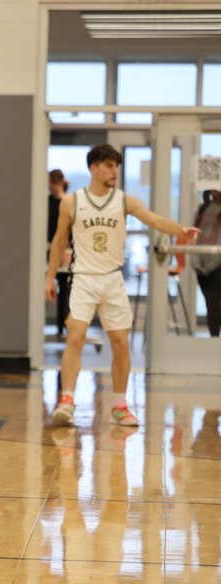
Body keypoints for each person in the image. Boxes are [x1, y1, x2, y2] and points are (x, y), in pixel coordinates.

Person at [45, 144, 200, 426]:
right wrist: (50, 277)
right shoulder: (72, 202)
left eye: (116, 166)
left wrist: (180, 230)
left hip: (113, 280)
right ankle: (66, 400)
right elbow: (58, 241)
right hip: (82, 279)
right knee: (76, 338)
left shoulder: (125, 201)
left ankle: (119, 405)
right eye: (108, 165)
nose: (114, 170)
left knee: (120, 344)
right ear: (93, 169)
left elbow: (154, 220)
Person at [192, 189, 221, 337]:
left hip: (217, 266)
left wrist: (209, 267)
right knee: (211, 307)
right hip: (202, 266)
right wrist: (196, 263)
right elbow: (195, 236)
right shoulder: (203, 208)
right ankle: (214, 343)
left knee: (214, 306)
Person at [48, 169, 71, 338]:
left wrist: (66, 249)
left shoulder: (67, 202)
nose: (51, 187)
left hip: (64, 251)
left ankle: (63, 326)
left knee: (65, 288)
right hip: (47, 248)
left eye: (54, 183)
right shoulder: (46, 203)